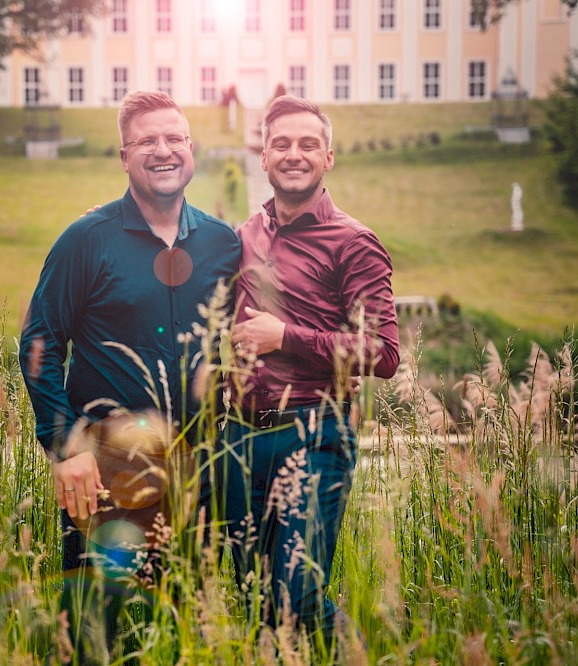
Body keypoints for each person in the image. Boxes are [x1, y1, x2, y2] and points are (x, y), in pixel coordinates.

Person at [18, 91, 241, 663]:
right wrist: (64, 447)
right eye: (147, 140)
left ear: (191, 149)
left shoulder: (222, 244)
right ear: (124, 156)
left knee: (185, 633)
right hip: (106, 471)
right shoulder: (86, 240)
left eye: (174, 138)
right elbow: (39, 343)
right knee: (97, 632)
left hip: (198, 472)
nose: (163, 150)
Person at [223, 95, 399, 647]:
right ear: (264, 156)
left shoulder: (354, 242)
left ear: (328, 157)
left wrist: (286, 337)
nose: (292, 154)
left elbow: (385, 353)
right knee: (256, 597)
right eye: (281, 144)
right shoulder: (244, 235)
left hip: (315, 434)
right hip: (239, 438)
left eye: (306, 144)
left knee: (296, 596)